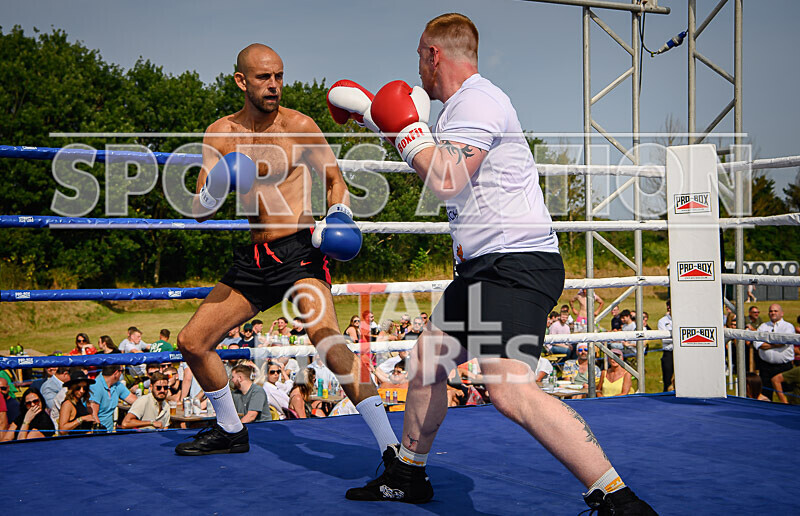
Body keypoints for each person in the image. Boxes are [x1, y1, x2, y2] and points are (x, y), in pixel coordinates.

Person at [329, 13, 655, 512]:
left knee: (508, 390)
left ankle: (617, 497)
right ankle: (409, 473)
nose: (417, 69)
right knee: (427, 363)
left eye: (419, 57)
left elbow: (446, 179)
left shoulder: (479, 101)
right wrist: (381, 120)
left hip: (514, 263)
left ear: (434, 55)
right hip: (483, 269)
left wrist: (405, 129)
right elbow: (436, 162)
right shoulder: (457, 111)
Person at [174, 42, 397, 457]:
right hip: (254, 259)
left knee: (329, 343)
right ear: (241, 81)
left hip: (299, 253)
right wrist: (217, 187)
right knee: (192, 341)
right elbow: (198, 211)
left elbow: (335, 180)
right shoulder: (220, 133)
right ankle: (230, 429)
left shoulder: (299, 125)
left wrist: (338, 215)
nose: (274, 85)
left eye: (279, 76)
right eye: (264, 77)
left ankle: (392, 448)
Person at [754, 304, 796, 400]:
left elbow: (784, 342)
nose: (773, 313)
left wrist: (767, 342)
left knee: (788, 396)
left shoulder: (788, 327)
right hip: (766, 367)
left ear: (782, 313)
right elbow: (758, 344)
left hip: (784, 367)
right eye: (771, 311)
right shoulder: (763, 327)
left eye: (775, 311)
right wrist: (775, 344)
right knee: (765, 396)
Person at [89, 366, 137, 432]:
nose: (122, 374)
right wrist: (101, 433)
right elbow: (93, 416)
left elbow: (135, 401)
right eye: (122, 371)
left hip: (110, 432)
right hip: (97, 432)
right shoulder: (95, 386)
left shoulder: (117, 384)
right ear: (116, 373)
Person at [58, 370, 100, 435]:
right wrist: (81, 419)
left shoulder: (80, 402)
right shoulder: (67, 404)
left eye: (84, 388)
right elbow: (62, 430)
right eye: (78, 388)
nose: (82, 391)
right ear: (72, 388)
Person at [657, 301, 674, 392]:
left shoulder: (684, 320)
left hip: (682, 352)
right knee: (667, 380)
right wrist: (676, 339)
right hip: (669, 353)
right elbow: (664, 339)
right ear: (669, 308)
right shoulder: (662, 321)